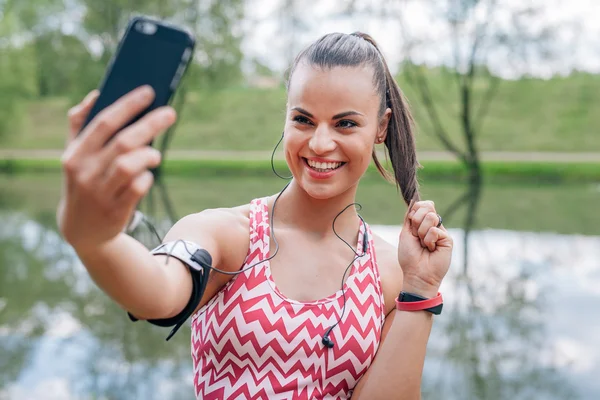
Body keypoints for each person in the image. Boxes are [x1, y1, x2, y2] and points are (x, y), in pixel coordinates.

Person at [57, 32, 453, 400]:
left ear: (381, 127)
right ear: (286, 116)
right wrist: (96, 240)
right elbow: (156, 293)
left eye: (345, 123)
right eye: (303, 119)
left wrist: (420, 288)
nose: (319, 142)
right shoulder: (229, 235)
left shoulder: (388, 270)